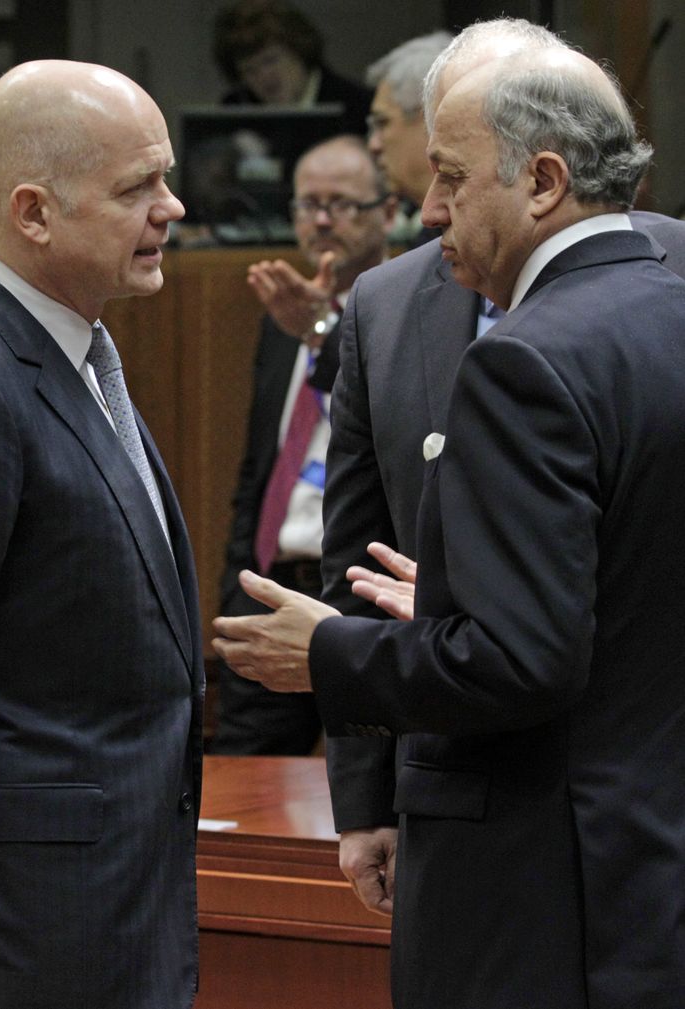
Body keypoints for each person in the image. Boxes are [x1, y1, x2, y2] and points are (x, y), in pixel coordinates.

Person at [212, 34, 685, 1009]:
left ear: (544, 181)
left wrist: (332, 652)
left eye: (453, 178)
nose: (429, 211)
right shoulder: (667, 309)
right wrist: (480, 597)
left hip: (546, 891)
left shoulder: (526, 357)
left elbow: (523, 667)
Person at [0, 60, 204, 1009]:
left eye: (166, 176)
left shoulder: (80, 348)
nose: (175, 207)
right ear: (34, 213)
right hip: (24, 936)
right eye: (136, 188)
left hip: (112, 913)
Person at [211, 135, 395, 753]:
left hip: (361, 596)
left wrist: (325, 334)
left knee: (365, 802)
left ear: (389, 213)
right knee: (240, 787)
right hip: (271, 584)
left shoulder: (410, 315)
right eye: (306, 204)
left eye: (341, 204)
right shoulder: (283, 317)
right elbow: (258, 465)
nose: (320, 220)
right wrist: (237, 578)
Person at [213, 0, 372, 136]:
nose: (264, 76)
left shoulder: (358, 107)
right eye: (249, 70)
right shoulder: (235, 114)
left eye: (270, 61)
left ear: (300, 51)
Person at [364, 32, 452, 244]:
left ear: (432, 118)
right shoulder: (432, 232)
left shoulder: (469, 236)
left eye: (383, 122)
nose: (373, 145)